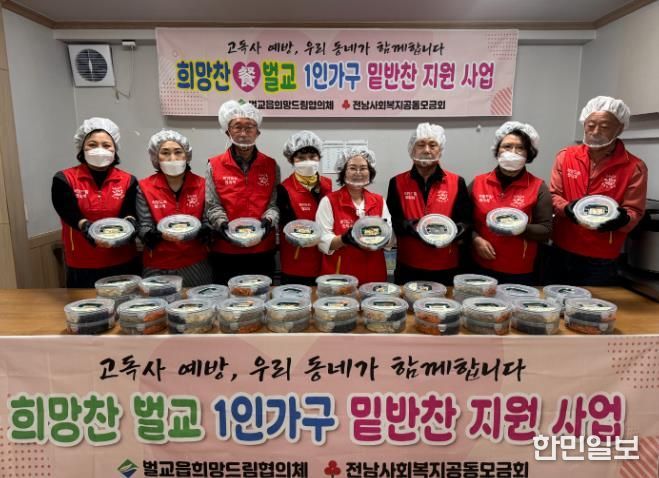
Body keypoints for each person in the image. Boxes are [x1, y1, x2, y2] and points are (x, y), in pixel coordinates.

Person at [550, 96, 648, 285]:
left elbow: (634, 211)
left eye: (604, 126)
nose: (595, 131)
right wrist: (567, 209)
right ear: (584, 124)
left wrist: (622, 219)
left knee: (591, 303)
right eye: (591, 125)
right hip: (562, 248)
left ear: (620, 128)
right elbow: (554, 195)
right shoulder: (565, 157)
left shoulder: (634, 167)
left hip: (602, 256)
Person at [51, 117, 139, 288]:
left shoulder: (128, 180)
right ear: (82, 148)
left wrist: (131, 221)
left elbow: (129, 211)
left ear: (115, 149)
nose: (100, 150)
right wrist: (85, 226)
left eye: (106, 145)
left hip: (122, 259)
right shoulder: (64, 179)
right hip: (82, 262)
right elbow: (68, 211)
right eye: (92, 144)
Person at [387, 123, 471, 285]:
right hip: (408, 265)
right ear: (412, 149)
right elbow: (391, 221)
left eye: (433, 145)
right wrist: (411, 227)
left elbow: (467, 221)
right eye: (421, 145)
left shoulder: (457, 182)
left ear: (441, 150)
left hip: (446, 265)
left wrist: (450, 233)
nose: (427, 150)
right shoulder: (397, 182)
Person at [205, 100, 279, 284]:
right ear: (227, 132)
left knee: (262, 297)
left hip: (262, 249)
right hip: (226, 250)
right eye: (237, 127)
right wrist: (222, 224)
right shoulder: (214, 165)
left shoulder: (271, 165)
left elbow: (274, 204)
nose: (244, 133)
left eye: (249, 127)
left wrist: (269, 220)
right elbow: (212, 205)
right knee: (228, 299)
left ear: (258, 132)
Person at [469, 121, 552, 285]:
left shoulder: (538, 187)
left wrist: (516, 228)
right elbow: (463, 221)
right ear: (497, 150)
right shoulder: (478, 183)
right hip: (480, 266)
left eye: (520, 148)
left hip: (519, 271)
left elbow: (546, 230)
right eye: (507, 146)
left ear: (528, 153)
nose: (512, 152)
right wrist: (475, 239)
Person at [136, 130, 212, 287]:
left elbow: (207, 218)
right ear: (156, 157)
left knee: (196, 301)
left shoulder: (202, 185)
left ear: (187, 155)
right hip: (158, 263)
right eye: (165, 153)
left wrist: (207, 229)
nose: (172, 158)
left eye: (178, 152)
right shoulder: (144, 187)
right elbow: (144, 224)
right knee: (158, 302)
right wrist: (150, 234)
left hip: (194, 261)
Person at [316, 146, 391, 284]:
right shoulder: (329, 201)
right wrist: (344, 239)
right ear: (343, 172)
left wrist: (383, 236)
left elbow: (389, 239)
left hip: (374, 274)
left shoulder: (379, 201)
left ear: (370, 172)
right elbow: (322, 242)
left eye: (363, 168)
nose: (358, 172)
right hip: (339, 277)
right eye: (352, 168)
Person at [277, 131, 332, 286]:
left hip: (324, 259)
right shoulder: (284, 189)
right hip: (296, 262)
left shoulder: (327, 185)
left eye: (312, 156)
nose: (307, 161)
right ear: (291, 159)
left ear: (319, 157)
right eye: (301, 158)